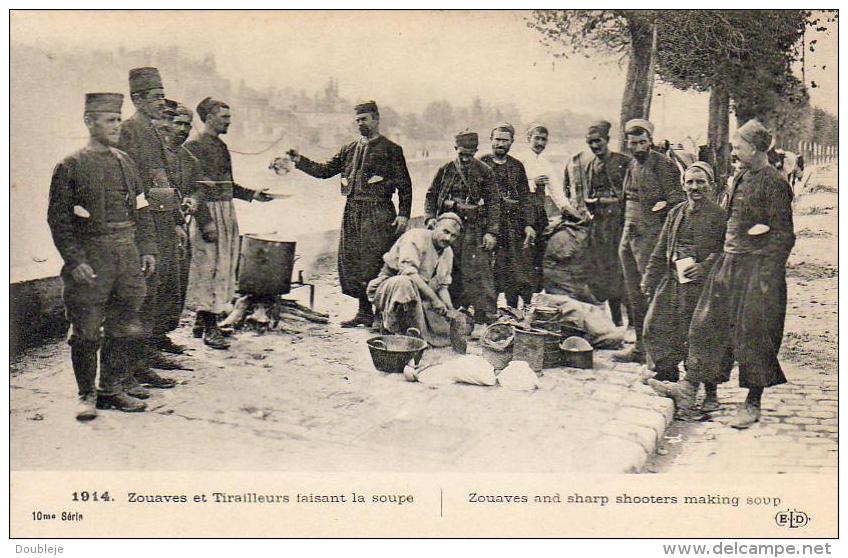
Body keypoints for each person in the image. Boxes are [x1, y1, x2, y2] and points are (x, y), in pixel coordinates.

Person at [650, 120, 796, 429]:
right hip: (729, 264)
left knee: (753, 335)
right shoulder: (741, 176)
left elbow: (784, 236)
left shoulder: (775, 183)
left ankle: (753, 402)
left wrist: (766, 276)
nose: (733, 151)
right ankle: (689, 388)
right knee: (704, 324)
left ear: (755, 149)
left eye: (738, 147)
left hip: (757, 271)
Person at [47, 93, 158, 419]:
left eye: (119, 119)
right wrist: (75, 259)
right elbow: (59, 219)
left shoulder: (126, 162)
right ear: (89, 121)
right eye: (110, 120)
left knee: (125, 325)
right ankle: (86, 395)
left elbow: (142, 209)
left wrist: (148, 248)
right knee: (86, 331)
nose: (117, 126)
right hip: (91, 258)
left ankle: (111, 388)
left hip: (127, 254)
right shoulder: (70, 166)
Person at [286, 101, 413, 328]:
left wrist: (403, 214)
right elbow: (324, 171)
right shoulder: (348, 149)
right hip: (352, 210)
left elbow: (405, 186)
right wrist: (299, 161)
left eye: (364, 119)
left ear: (376, 119)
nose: (360, 124)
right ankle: (363, 312)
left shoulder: (392, 150)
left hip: (379, 211)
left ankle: (380, 315)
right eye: (357, 120)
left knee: (376, 261)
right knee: (353, 261)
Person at [183, 97, 273, 349]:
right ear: (209, 117)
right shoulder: (194, 146)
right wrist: (204, 221)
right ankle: (210, 329)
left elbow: (226, 185)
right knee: (208, 267)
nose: (229, 121)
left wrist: (253, 194)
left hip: (225, 211)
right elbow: (193, 188)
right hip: (209, 214)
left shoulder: (220, 146)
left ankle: (201, 322)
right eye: (224, 117)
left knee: (222, 266)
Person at [641, 162, 727, 414]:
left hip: (704, 288)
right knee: (655, 325)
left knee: (703, 336)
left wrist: (705, 266)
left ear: (710, 185)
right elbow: (660, 249)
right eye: (690, 182)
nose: (695, 187)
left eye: (700, 182)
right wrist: (649, 278)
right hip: (674, 281)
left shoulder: (719, 216)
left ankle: (711, 392)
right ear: (683, 185)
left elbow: (727, 252)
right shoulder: (676, 212)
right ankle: (670, 381)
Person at [118, 67, 186, 370]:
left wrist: (175, 220)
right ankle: (138, 360)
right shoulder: (132, 129)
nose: (162, 102)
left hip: (161, 220)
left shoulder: (153, 128)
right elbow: (134, 182)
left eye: (162, 96)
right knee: (145, 291)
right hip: (145, 221)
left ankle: (150, 347)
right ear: (138, 99)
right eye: (156, 97)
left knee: (160, 286)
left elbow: (162, 179)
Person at [614, 118, 684, 363]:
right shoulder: (632, 164)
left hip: (652, 237)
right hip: (629, 235)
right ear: (628, 144)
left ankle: (658, 353)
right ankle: (640, 349)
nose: (639, 148)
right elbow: (626, 199)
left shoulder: (664, 165)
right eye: (634, 143)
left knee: (652, 290)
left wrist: (661, 207)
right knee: (633, 292)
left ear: (651, 141)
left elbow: (678, 201)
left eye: (643, 142)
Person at [424, 130, 500, 327]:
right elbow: (431, 195)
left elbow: (493, 203)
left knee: (479, 270)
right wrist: (430, 218)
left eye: (470, 154)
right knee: (449, 268)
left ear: (476, 151)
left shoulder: (485, 171)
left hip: (475, 228)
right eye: (462, 153)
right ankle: (450, 312)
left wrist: (491, 232)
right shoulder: (445, 169)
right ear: (455, 148)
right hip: (449, 227)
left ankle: (483, 314)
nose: (465, 158)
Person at [564, 120, 631, 326]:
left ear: (607, 140)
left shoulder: (623, 162)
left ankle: (634, 321)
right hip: (601, 227)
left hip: (620, 226)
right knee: (603, 272)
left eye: (598, 141)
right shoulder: (591, 164)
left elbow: (629, 195)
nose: (594, 146)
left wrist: (603, 202)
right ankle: (616, 320)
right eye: (591, 142)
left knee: (622, 272)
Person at [366, 213, 462, 346]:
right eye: (445, 231)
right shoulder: (415, 237)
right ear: (435, 226)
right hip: (390, 287)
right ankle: (391, 325)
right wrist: (434, 300)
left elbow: (443, 286)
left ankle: (415, 331)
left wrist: (450, 310)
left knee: (443, 331)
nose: (448, 238)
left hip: (420, 294)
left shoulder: (447, 252)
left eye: (453, 236)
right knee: (404, 283)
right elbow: (408, 273)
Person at [480, 122, 538, 309]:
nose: (500, 144)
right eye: (497, 139)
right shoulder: (481, 163)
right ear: (490, 140)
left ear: (512, 142)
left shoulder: (516, 166)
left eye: (505, 140)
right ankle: (488, 310)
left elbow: (525, 198)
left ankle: (513, 309)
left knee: (514, 268)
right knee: (489, 269)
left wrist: (529, 224)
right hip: (487, 224)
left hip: (512, 226)